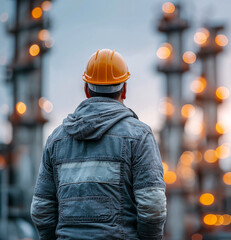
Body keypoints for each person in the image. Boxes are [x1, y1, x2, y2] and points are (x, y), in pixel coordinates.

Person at [30, 49, 167, 240]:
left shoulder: (57, 138)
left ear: (86, 90)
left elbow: (41, 208)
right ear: (124, 89)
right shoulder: (139, 135)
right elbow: (152, 205)